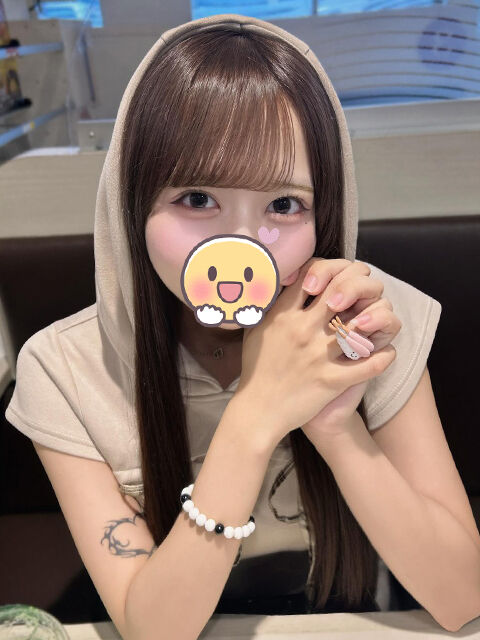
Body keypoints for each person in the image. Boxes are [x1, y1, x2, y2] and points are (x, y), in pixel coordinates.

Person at [6, 13, 464, 639]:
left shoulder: (373, 320)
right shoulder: (63, 369)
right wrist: (256, 415)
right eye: (197, 198)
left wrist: (334, 424)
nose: (242, 244)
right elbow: (156, 631)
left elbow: (462, 597)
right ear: (132, 203)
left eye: (284, 204)